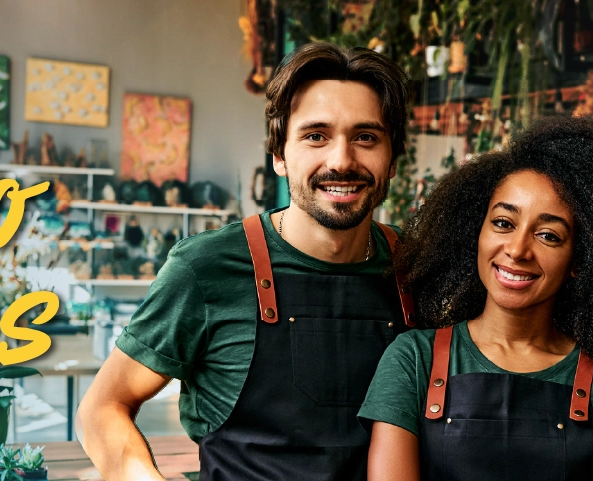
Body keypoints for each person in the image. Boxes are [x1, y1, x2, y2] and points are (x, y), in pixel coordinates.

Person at [79, 42, 415, 480]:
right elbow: (103, 407)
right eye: (316, 136)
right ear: (279, 155)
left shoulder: (420, 268)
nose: (341, 160)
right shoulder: (207, 268)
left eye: (366, 137)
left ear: (393, 159)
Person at [360, 116, 593, 481]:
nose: (517, 250)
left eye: (548, 235)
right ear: (476, 231)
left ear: (581, 260)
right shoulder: (412, 359)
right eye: (503, 223)